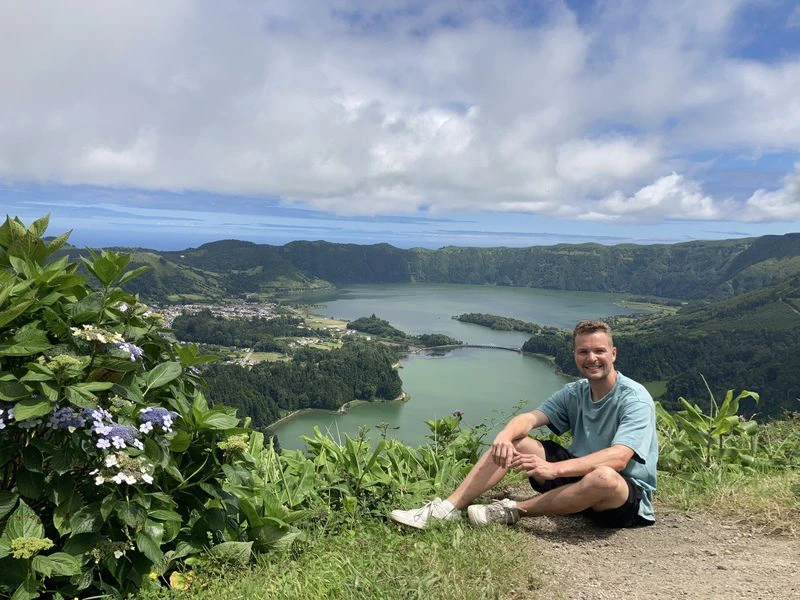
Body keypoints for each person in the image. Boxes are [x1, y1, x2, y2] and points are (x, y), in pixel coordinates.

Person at [390, 319, 658, 529]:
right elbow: (530, 418)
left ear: (613, 353)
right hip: (576, 476)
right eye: (583, 351)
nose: (591, 358)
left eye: (599, 351)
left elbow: (619, 458)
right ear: (574, 355)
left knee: (604, 477)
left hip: (618, 496)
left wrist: (553, 469)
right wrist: (505, 436)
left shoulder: (634, 399)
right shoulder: (576, 391)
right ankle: (446, 509)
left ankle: (513, 511)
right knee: (516, 442)